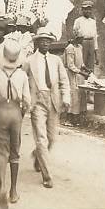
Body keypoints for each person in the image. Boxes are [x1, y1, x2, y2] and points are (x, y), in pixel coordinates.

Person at [0, 39, 31, 209]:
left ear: (4, 56)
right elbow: (27, 101)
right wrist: (21, 113)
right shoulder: (22, 75)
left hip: (1, 112)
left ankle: (2, 186)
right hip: (16, 113)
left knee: (1, 152)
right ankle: (13, 190)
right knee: (15, 152)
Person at [23, 27, 70, 189]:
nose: (45, 43)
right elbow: (22, 81)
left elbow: (64, 81)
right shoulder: (29, 61)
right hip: (37, 102)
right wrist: (25, 100)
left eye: (47, 40)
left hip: (53, 100)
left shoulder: (56, 60)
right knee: (41, 139)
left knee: (51, 139)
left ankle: (38, 155)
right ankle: (47, 176)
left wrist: (66, 98)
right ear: (36, 42)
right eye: (41, 40)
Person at [62, 34, 90, 125]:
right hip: (72, 75)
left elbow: (81, 63)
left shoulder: (80, 47)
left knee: (81, 94)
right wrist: (82, 73)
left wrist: (86, 69)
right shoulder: (70, 48)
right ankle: (69, 119)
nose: (82, 41)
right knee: (74, 96)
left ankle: (78, 117)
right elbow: (70, 65)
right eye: (81, 39)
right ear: (76, 38)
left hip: (79, 74)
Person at [72, 1, 98, 71]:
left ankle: (91, 79)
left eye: (89, 9)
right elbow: (75, 33)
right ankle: (83, 79)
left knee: (91, 63)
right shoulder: (78, 21)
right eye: (85, 9)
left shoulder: (93, 21)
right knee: (82, 62)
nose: (88, 11)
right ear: (82, 10)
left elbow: (95, 36)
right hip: (82, 43)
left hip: (91, 42)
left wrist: (96, 53)